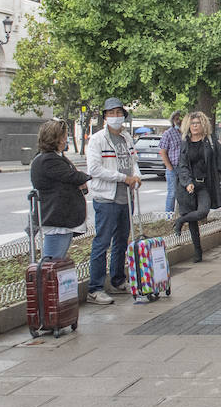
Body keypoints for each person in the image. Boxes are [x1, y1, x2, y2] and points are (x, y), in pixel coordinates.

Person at [84, 98, 142, 305]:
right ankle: (95, 288)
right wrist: (122, 178)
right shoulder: (98, 139)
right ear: (105, 117)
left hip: (126, 197)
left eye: (119, 113)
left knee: (121, 241)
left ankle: (118, 280)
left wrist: (136, 177)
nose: (115, 117)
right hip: (106, 198)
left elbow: (134, 162)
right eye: (111, 113)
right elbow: (94, 169)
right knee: (102, 242)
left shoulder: (126, 138)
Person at [30, 119, 89, 261]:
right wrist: (85, 178)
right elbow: (74, 176)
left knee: (57, 261)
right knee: (51, 262)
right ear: (54, 139)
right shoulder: (48, 160)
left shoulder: (55, 157)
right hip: (57, 219)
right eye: (63, 136)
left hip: (62, 218)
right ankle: (44, 284)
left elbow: (73, 178)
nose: (65, 140)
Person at [175, 111, 221, 263]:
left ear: (203, 124)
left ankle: (181, 221)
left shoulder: (210, 141)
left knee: (202, 212)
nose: (195, 126)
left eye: (198, 123)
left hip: (204, 184)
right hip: (188, 185)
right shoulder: (185, 142)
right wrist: (187, 182)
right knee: (193, 222)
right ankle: (198, 252)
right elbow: (182, 165)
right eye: (192, 123)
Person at [158, 111, 184, 216]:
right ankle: (168, 216)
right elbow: (163, 152)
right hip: (173, 167)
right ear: (173, 121)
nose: (179, 121)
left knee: (183, 193)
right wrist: (169, 168)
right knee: (172, 193)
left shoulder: (186, 133)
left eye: (181, 118)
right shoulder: (168, 133)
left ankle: (181, 215)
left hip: (184, 168)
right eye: (177, 119)